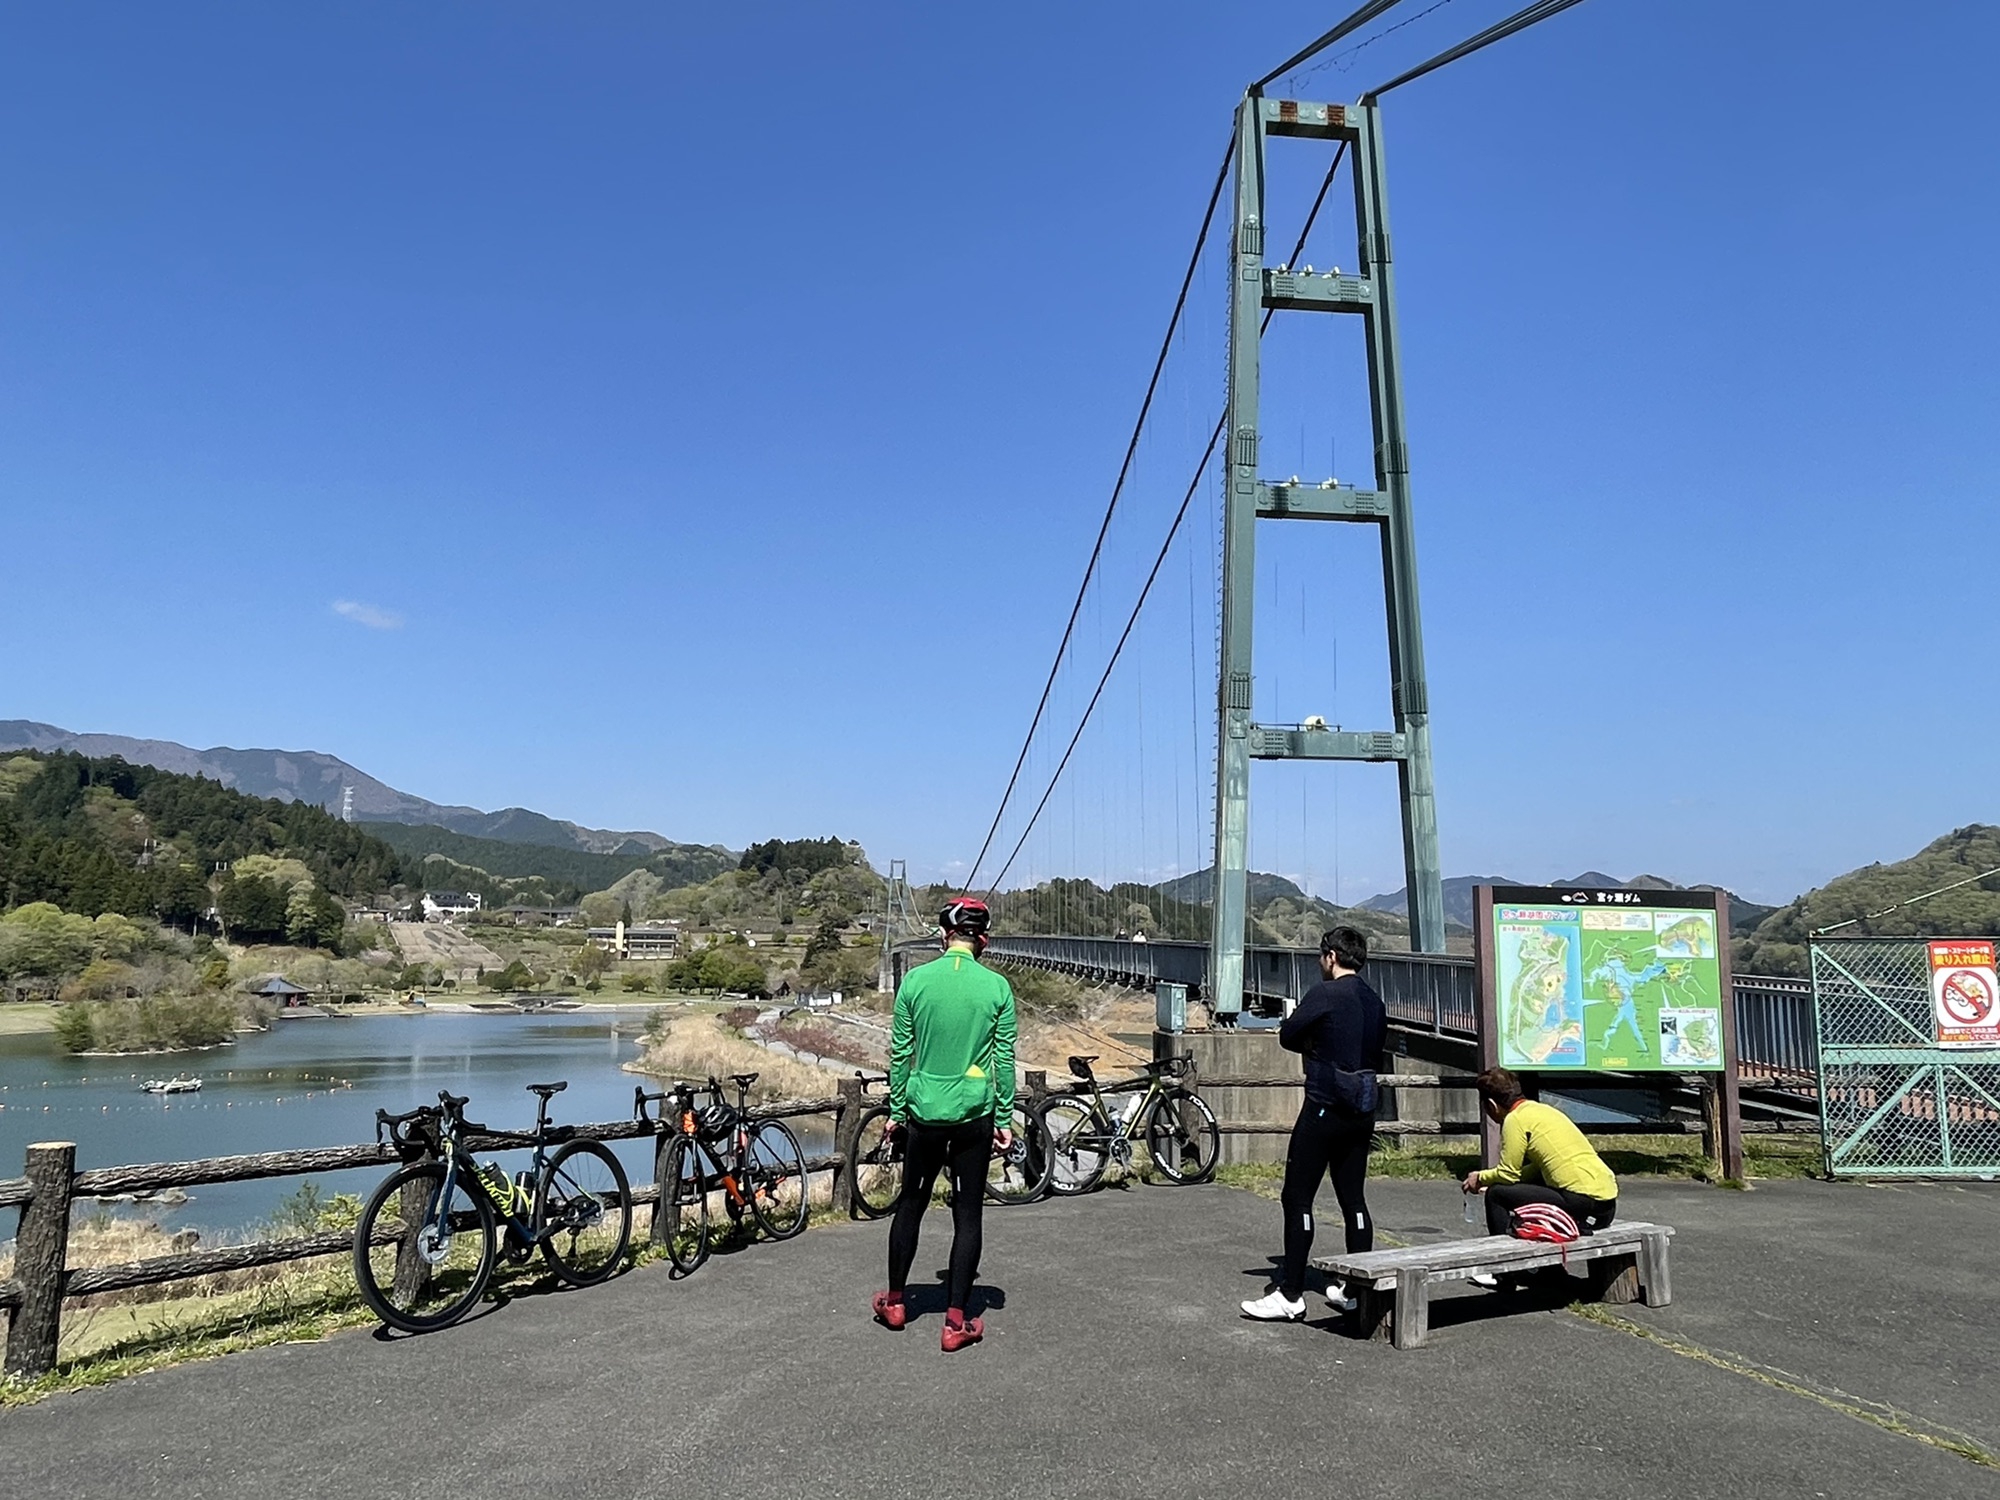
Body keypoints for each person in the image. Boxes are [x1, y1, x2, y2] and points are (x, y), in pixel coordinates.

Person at [871, 897, 1017, 1351]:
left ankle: (896, 1303)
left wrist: (897, 1112)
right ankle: (956, 1324)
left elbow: (899, 1056)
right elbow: (1004, 1060)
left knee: (910, 1204)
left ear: (942, 936)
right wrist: (1006, 1117)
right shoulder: (997, 988)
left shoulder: (915, 982)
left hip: (923, 1113)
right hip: (975, 1114)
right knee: (967, 1213)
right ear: (983, 940)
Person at [1240, 925, 1386, 1322]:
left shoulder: (1325, 993)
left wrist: (1314, 1044)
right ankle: (1356, 1288)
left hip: (1324, 1107)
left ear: (1331, 957)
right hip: (1362, 1111)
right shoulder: (1375, 1001)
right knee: (1353, 1200)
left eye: (1321, 956)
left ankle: (1290, 1293)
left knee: (1297, 1197)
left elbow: (1288, 1035)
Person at [1461, 1066, 1618, 1258]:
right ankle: (1545, 1270)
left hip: (1579, 1201)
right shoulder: (1542, 1110)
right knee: (1529, 1182)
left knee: (1496, 1195)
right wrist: (1506, 1183)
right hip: (1606, 1204)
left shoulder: (1515, 1119)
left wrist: (1481, 1177)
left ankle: (1503, 1270)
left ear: (1492, 1105)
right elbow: (1536, 1169)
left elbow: (1507, 1173)